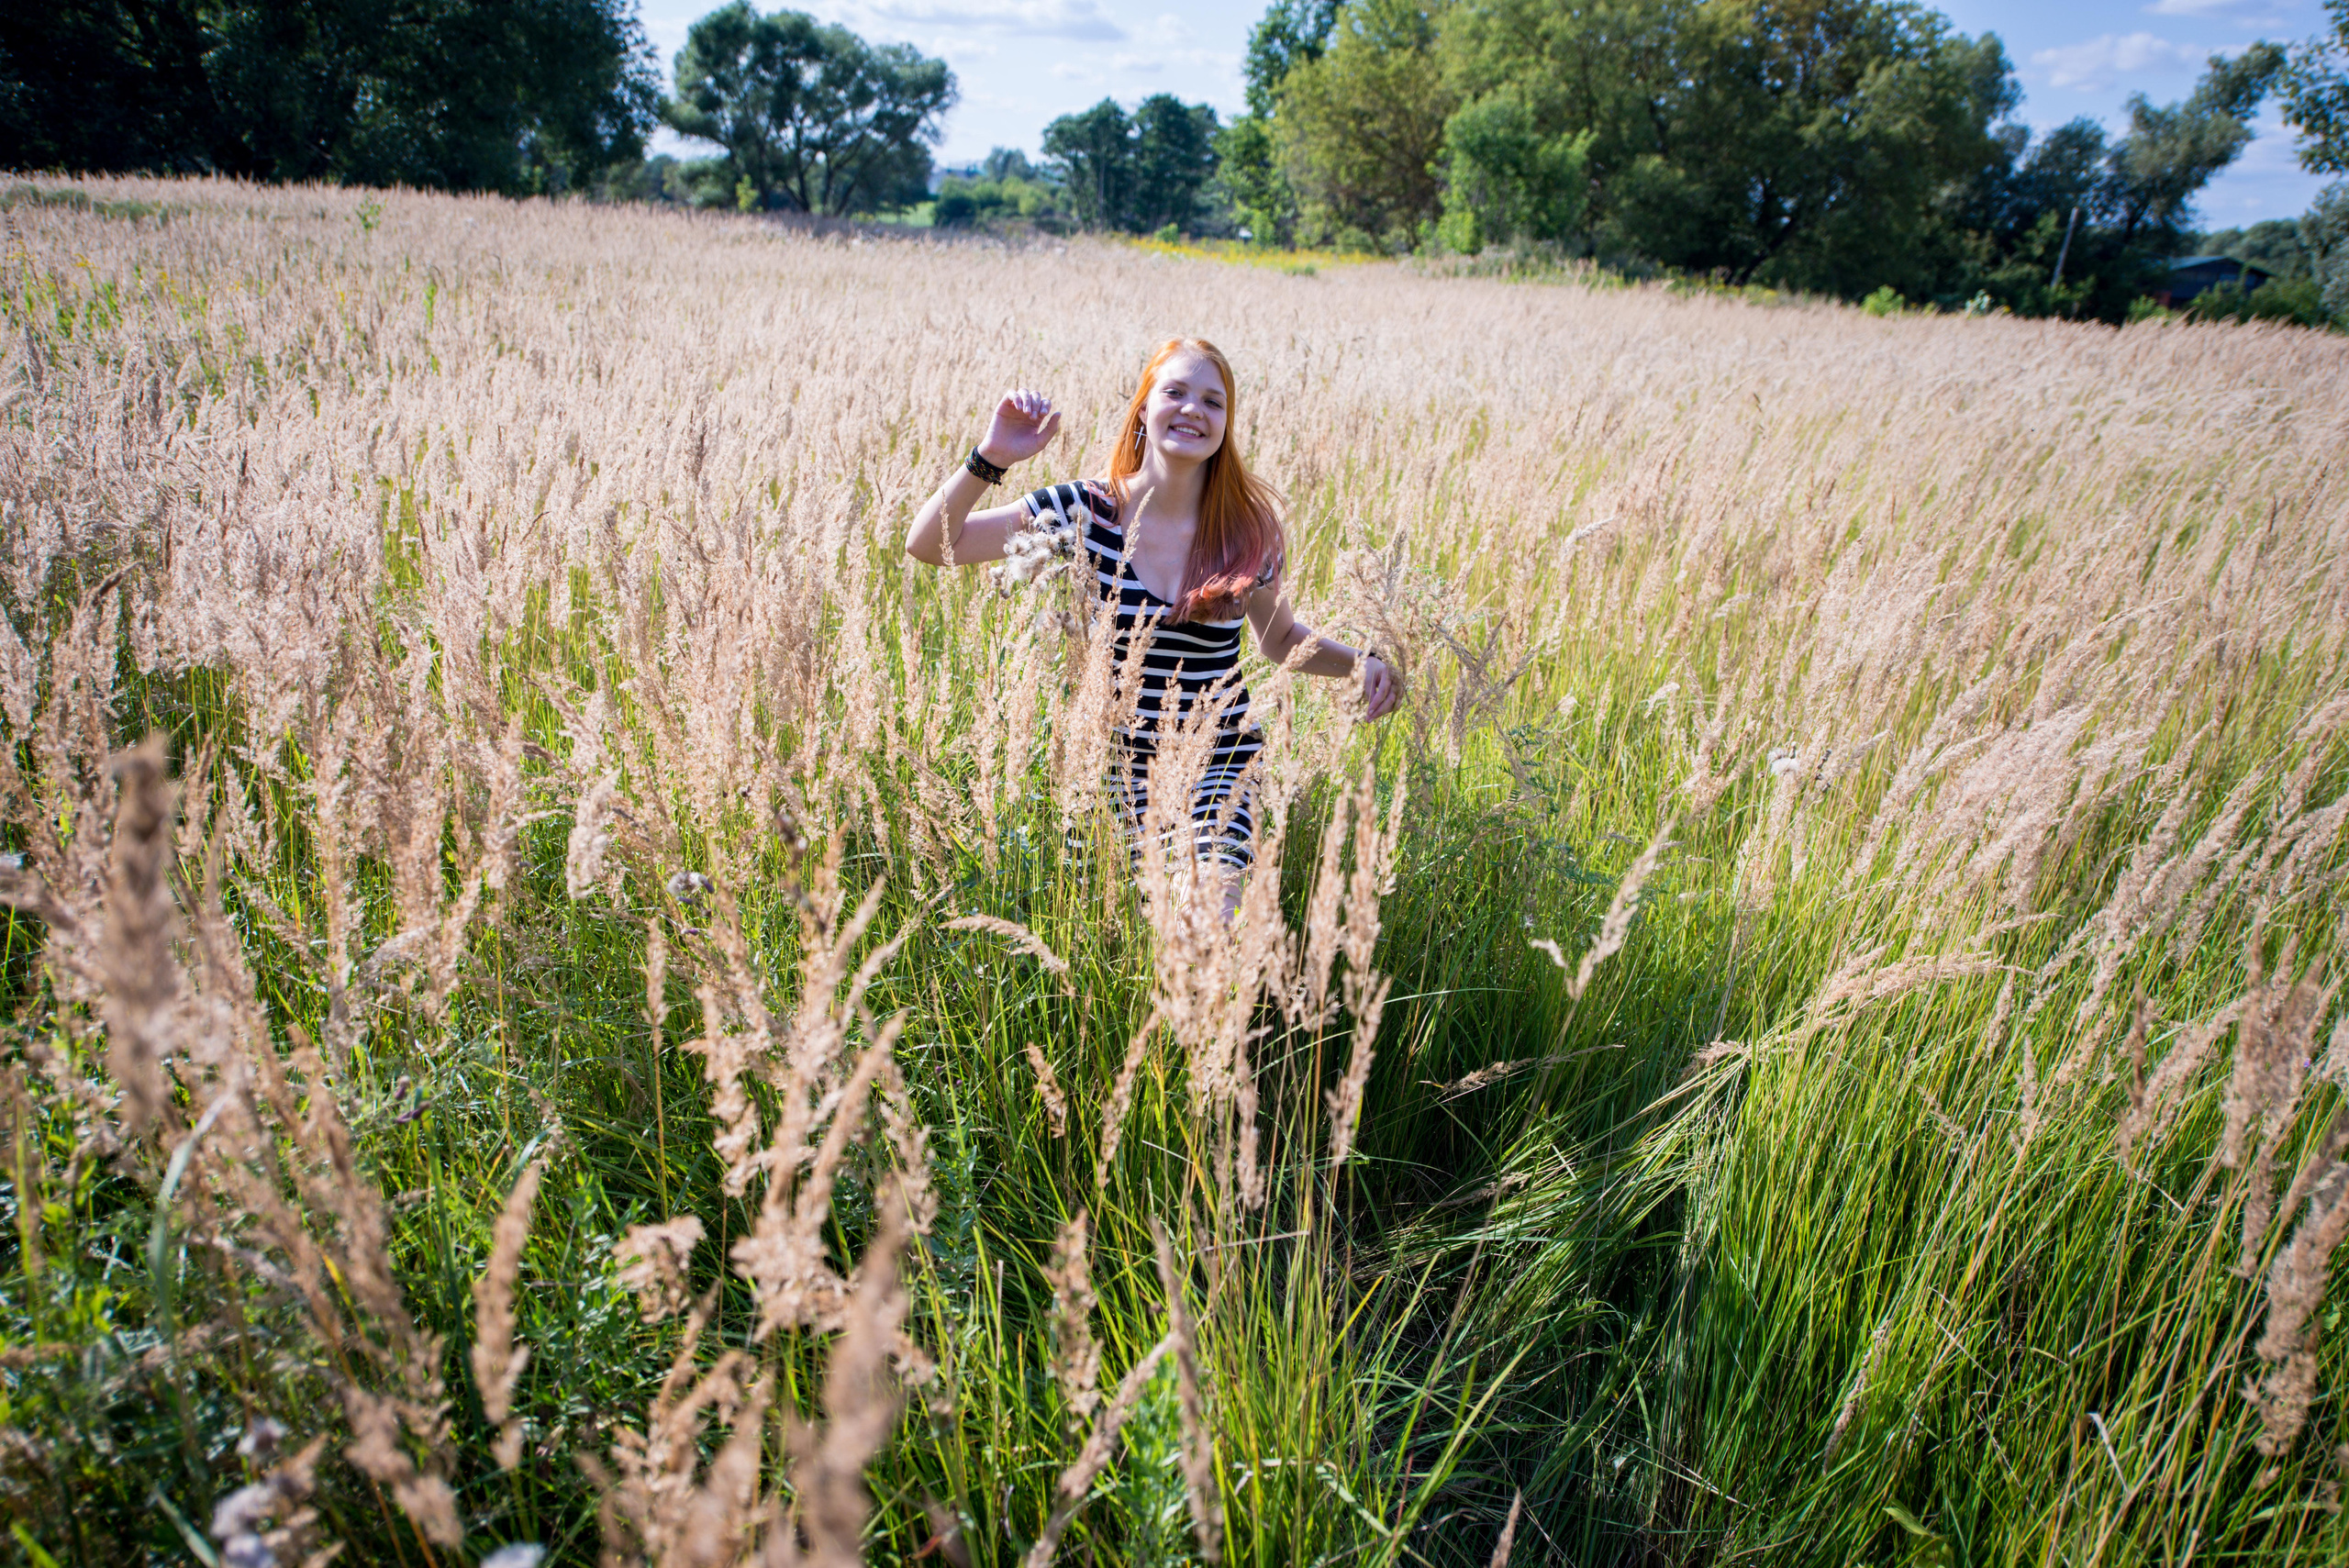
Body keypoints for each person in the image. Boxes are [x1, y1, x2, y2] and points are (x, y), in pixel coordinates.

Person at [905, 337, 1401, 914]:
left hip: (1217, 763)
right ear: (1144, 407)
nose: (1193, 409)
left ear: (1225, 424)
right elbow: (932, 545)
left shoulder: (1248, 531)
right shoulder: (1084, 512)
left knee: (1207, 915)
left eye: (1213, 402)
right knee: (1148, 945)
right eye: (1176, 392)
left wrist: (1358, 662)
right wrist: (993, 455)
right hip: (1110, 771)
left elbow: (1281, 639)